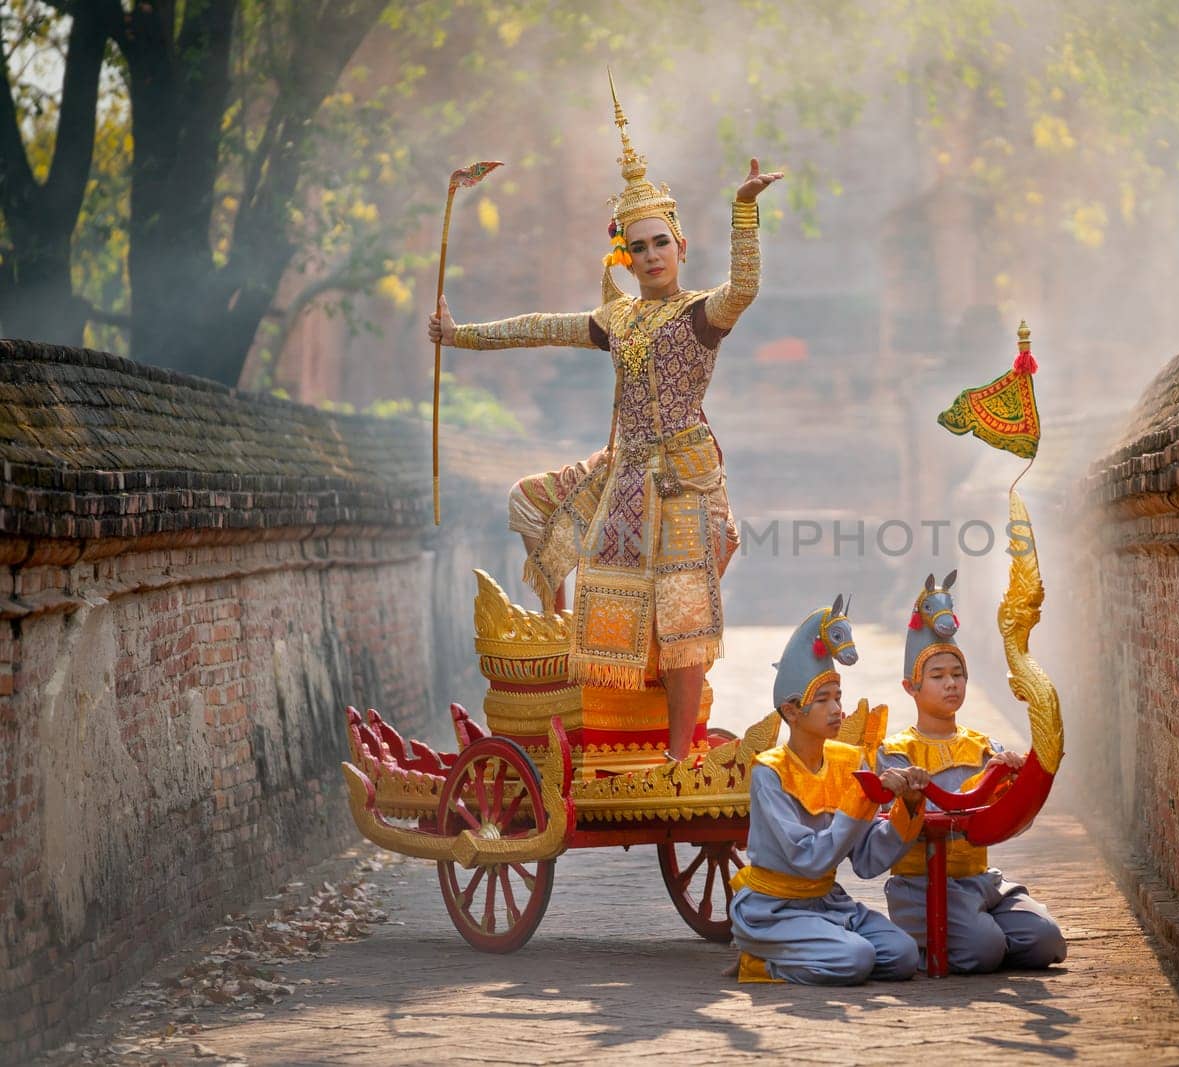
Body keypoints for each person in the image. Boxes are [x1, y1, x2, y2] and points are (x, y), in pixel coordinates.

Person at [428, 78, 781, 761]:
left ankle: (680, 757)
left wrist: (744, 212)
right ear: (625, 254)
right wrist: (459, 334)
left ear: (681, 246)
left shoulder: (701, 314)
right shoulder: (616, 318)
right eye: (637, 247)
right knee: (530, 503)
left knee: (682, 625)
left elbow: (746, 287)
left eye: (660, 243)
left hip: (685, 483)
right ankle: (564, 643)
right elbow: (539, 326)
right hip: (623, 476)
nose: (649, 256)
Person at [729, 601, 929, 985]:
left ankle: (821, 947)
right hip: (774, 909)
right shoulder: (769, 772)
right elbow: (809, 859)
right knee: (856, 959)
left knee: (903, 956)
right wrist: (863, 799)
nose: (838, 709)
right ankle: (761, 961)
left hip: (828, 902)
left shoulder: (848, 760)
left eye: (839, 696)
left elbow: (869, 860)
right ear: (791, 711)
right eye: (823, 700)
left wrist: (909, 805)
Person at [876, 571, 1067, 974]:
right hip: (922, 885)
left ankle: (984, 931)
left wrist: (1012, 785)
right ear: (911, 686)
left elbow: (1006, 822)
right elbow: (908, 823)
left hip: (981, 879)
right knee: (984, 951)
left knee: (1046, 940)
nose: (951, 685)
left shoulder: (986, 747)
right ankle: (965, 937)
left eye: (957, 675)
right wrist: (981, 783)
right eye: (938, 676)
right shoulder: (895, 754)